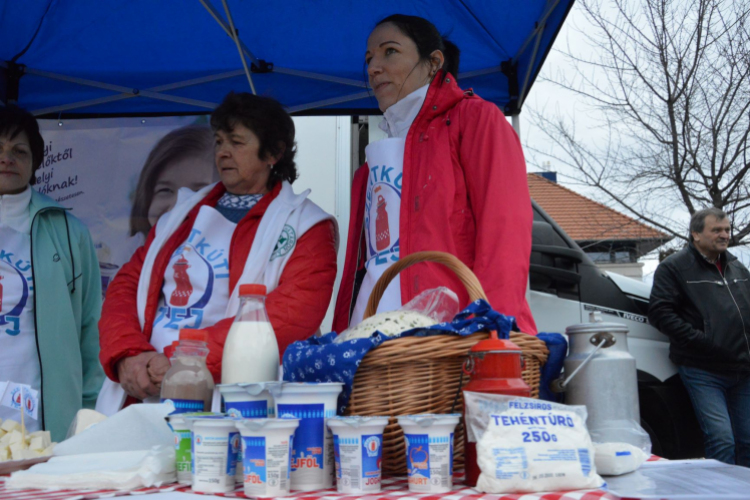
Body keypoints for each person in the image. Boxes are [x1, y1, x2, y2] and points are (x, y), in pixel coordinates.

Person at [97, 92, 338, 411]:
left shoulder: (307, 225)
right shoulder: (180, 215)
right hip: (145, 387)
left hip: (234, 397)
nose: (223, 153)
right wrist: (128, 355)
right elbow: (126, 287)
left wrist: (184, 363)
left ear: (274, 152)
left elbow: (290, 316)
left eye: (236, 143)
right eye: (219, 142)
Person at [333, 14, 536, 334]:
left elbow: (504, 237)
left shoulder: (476, 120)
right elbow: (362, 271)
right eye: (369, 58)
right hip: (372, 346)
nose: (373, 68)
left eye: (390, 52)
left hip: (454, 336)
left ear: (433, 63)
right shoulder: (367, 170)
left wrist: (492, 335)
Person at [0, 104, 104, 441]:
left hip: (42, 416)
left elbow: (91, 325)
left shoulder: (68, 231)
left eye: (19, 150)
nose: (7, 159)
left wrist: (90, 407)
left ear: (34, 163)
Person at [649, 208, 750, 466]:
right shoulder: (673, 268)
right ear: (695, 234)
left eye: (727, 229)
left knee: (748, 440)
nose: (724, 235)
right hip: (703, 369)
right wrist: (704, 342)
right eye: (716, 230)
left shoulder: (737, 267)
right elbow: (661, 314)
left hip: (743, 368)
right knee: (722, 439)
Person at [129, 124, 218, 239]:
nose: (177, 206)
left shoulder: (243, 255)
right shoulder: (126, 253)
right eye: (165, 190)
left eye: (199, 192)